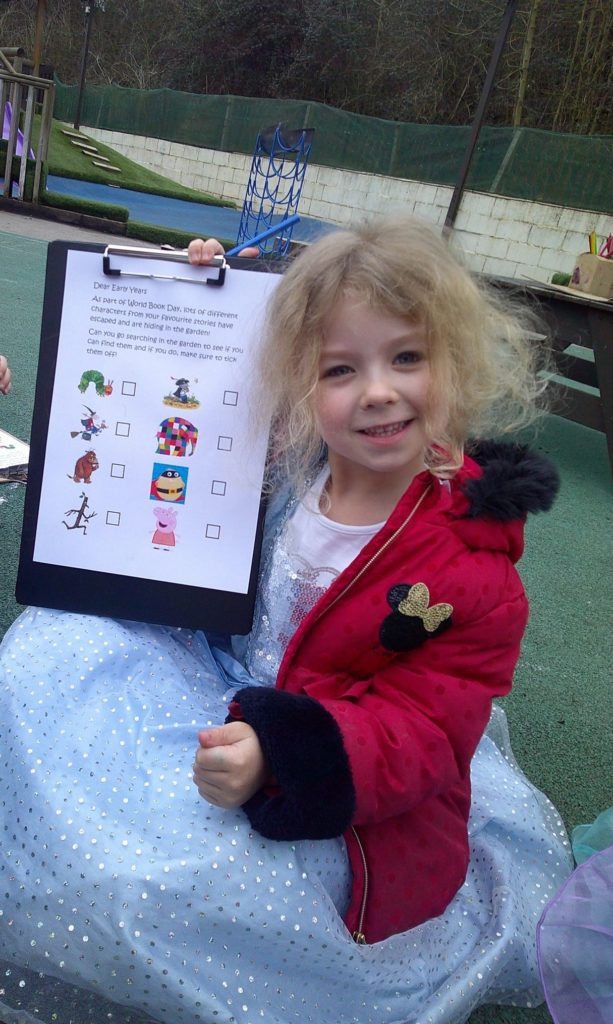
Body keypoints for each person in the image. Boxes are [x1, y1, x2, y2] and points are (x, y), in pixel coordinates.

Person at [0, 217, 571, 1024]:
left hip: (341, 776)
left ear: (458, 361)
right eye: (340, 368)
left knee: (157, 880)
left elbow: (420, 731)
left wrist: (283, 754)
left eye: (407, 357)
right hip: (227, 680)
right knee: (54, 651)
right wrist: (201, 292)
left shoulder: (470, 569)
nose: (377, 390)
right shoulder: (289, 461)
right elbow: (192, 402)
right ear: (299, 384)